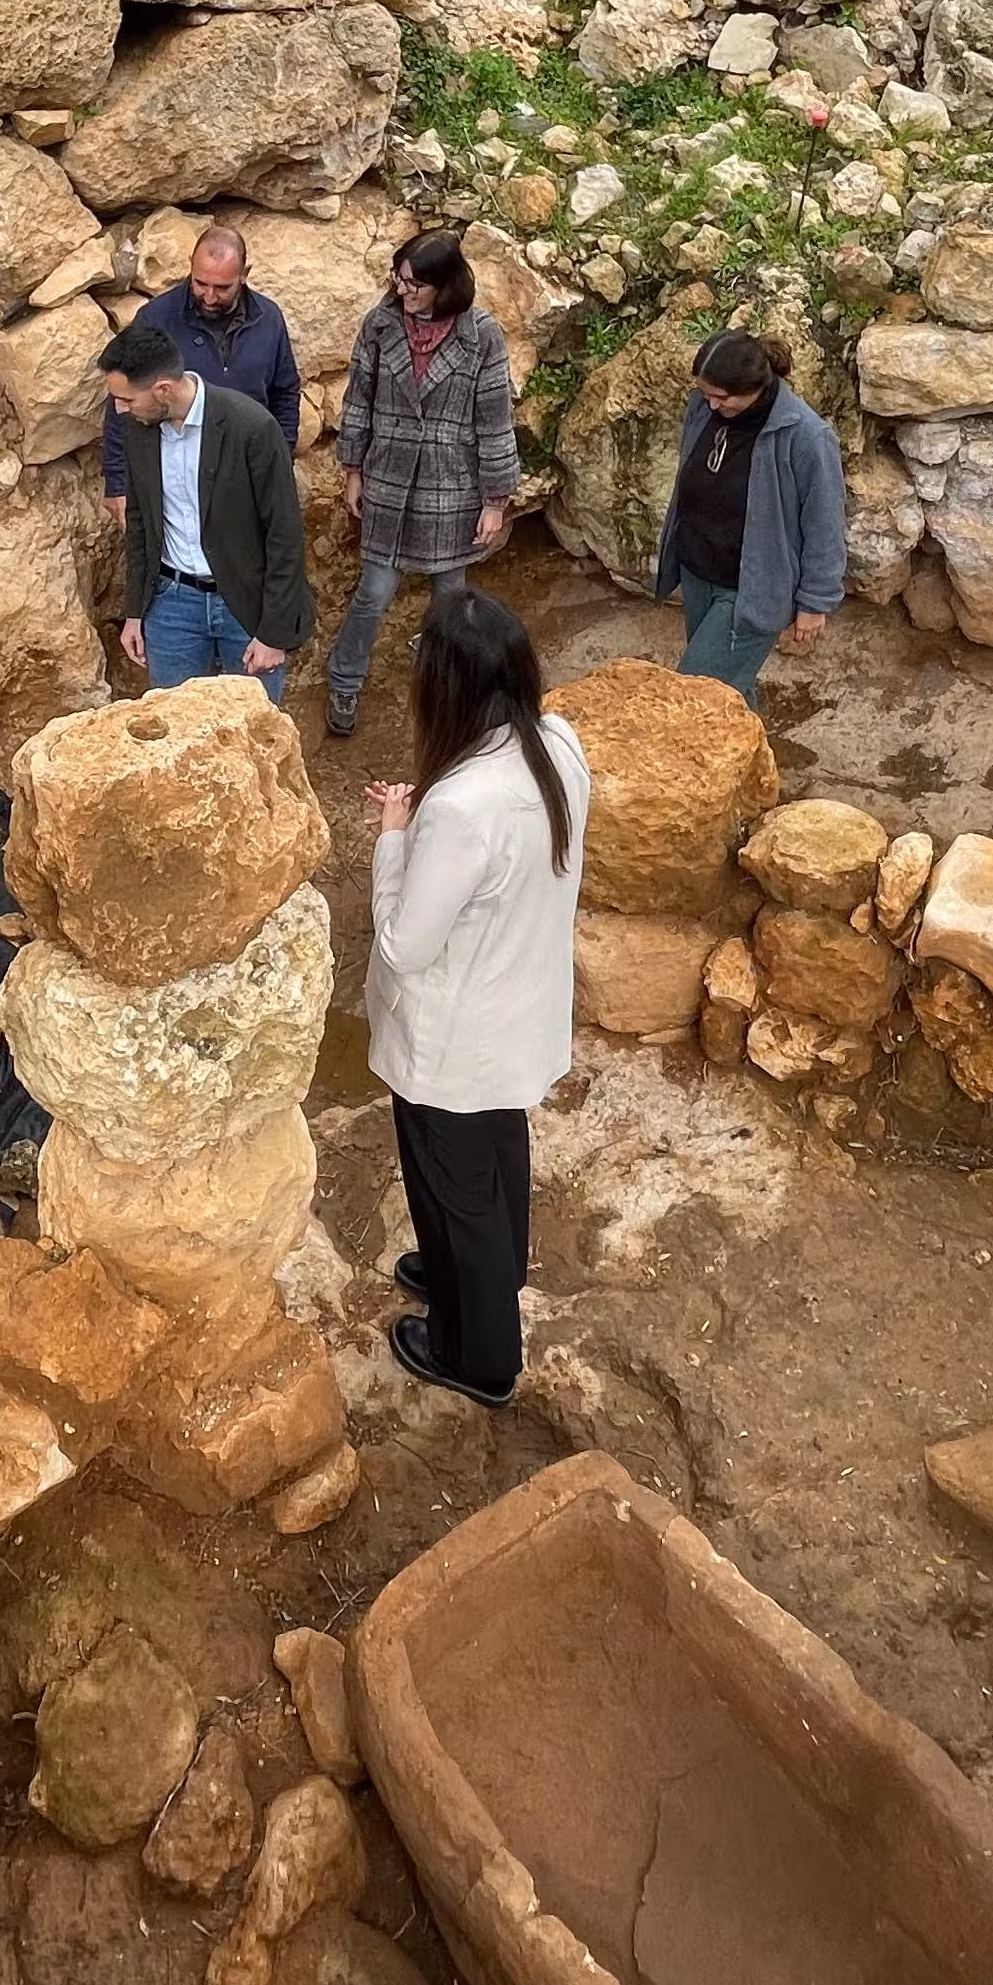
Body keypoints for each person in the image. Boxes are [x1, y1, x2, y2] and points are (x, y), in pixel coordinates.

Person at [362, 588, 588, 1406]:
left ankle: (478, 1353)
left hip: (453, 1043)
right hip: (516, 1019)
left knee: (451, 1187)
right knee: (494, 1166)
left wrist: (394, 838)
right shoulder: (557, 745)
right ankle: (468, 1273)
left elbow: (403, 944)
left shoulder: (460, 806)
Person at [325, 227, 519, 739]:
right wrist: (352, 469)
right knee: (374, 590)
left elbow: (494, 419)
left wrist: (495, 500)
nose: (403, 291)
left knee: (450, 598)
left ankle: (449, 690)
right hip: (387, 480)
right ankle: (344, 679)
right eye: (399, 280)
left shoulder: (482, 336)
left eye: (414, 284)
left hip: (450, 488)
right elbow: (358, 400)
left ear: (444, 285)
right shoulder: (381, 325)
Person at [98, 317, 313, 703]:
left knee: (252, 732)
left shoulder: (251, 427)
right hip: (172, 605)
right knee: (174, 729)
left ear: (163, 389)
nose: (120, 409)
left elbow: (285, 533)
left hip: (246, 606)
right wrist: (135, 611)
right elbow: (140, 523)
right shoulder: (137, 429)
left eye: (127, 399)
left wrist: (274, 634)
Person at [654, 326, 847, 702]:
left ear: (753, 388)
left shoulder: (806, 436)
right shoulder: (703, 409)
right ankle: (752, 760)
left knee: (696, 694)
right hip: (698, 572)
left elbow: (825, 523)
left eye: (721, 398)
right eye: (704, 394)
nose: (711, 406)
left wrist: (815, 602)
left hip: (750, 591)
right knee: (729, 688)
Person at [100, 223, 300, 526]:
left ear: (245, 275)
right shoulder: (156, 319)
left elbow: (285, 391)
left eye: (222, 288)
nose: (208, 297)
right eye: (200, 283)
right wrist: (118, 483)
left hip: (249, 474)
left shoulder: (269, 318)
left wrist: (280, 460)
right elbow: (122, 402)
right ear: (190, 269)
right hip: (176, 481)